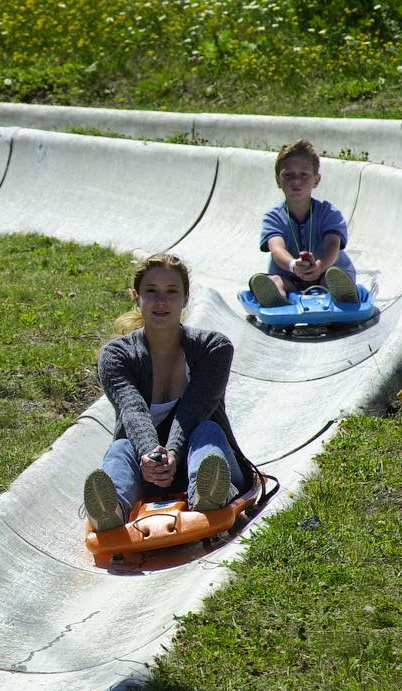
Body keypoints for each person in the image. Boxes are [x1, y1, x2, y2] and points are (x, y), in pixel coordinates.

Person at [84, 253, 257, 532]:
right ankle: (110, 510)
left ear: (186, 298)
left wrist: (173, 453)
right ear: (136, 296)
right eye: (151, 292)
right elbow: (133, 410)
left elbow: (195, 408)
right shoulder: (116, 356)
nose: (161, 301)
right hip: (146, 470)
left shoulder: (213, 348)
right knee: (120, 447)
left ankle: (210, 492)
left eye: (171, 292)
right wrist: (151, 455)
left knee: (207, 431)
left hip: (198, 457)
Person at [248, 139, 358, 307]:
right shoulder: (273, 217)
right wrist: (293, 265)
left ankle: (343, 295)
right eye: (288, 175)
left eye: (304, 175)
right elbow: (277, 248)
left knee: (332, 278)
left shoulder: (329, 213)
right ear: (278, 180)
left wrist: (320, 267)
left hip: (327, 272)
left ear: (316, 179)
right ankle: (277, 297)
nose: (296, 181)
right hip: (291, 277)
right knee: (276, 280)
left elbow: (332, 245)